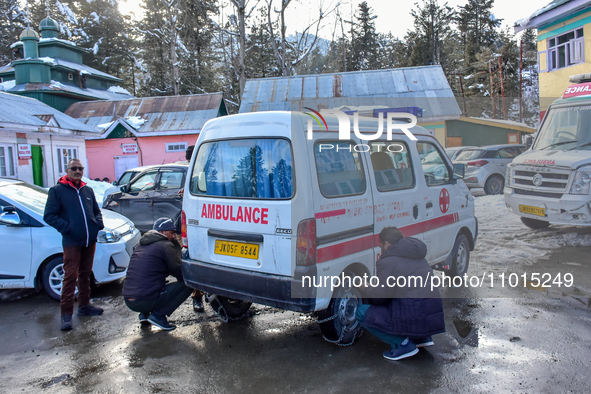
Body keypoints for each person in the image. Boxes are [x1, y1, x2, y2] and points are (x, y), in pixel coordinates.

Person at [356, 226, 445, 361]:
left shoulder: (388, 261)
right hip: (431, 317)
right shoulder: (417, 255)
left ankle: (403, 345)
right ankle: (421, 337)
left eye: (380, 246)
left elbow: (381, 299)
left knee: (362, 312)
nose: (381, 250)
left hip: (413, 314)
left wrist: (366, 288)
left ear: (386, 244)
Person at [44, 158, 105, 330]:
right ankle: (66, 314)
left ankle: (84, 305)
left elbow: (96, 211)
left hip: (89, 240)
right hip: (72, 241)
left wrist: (97, 224)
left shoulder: (87, 190)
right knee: (70, 276)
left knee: (85, 273)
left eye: (80, 168)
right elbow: (49, 216)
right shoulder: (57, 191)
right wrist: (67, 228)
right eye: (74, 168)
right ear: (67, 170)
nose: (77, 171)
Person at [123, 217, 194, 331]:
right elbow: (178, 271)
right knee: (189, 284)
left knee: (148, 282)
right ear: (162, 232)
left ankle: (144, 315)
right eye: (171, 233)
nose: (173, 237)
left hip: (129, 299)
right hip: (145, 300)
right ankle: (159, 316)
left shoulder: (141, 245)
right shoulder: (165, 246)